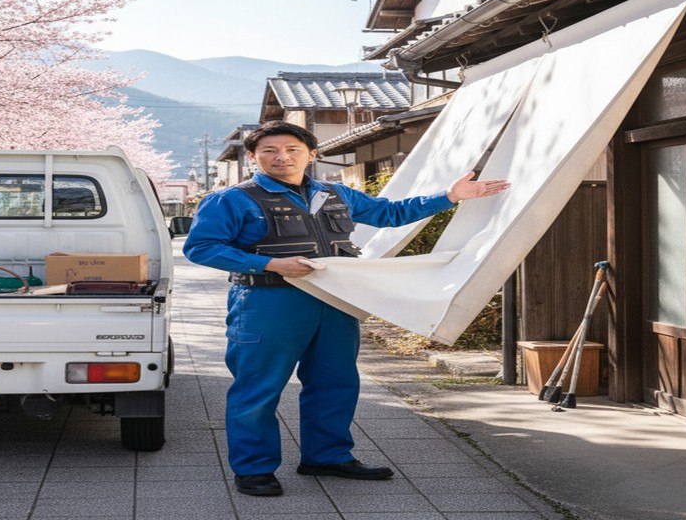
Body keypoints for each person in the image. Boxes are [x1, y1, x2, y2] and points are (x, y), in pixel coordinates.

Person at [183, 120, 509, 497]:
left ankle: (328, 456)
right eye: (269, 151)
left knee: (335, 382)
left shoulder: (334, 193)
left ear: (312, 154)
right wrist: (271, 264)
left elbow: (391, 213)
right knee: (257, 387)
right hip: (268, 301)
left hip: (335, 301)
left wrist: (450, 196)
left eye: (292, 149)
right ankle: (254, 468)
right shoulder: (232, 199)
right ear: (254, 157)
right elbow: (201, 247)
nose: (281, 157)